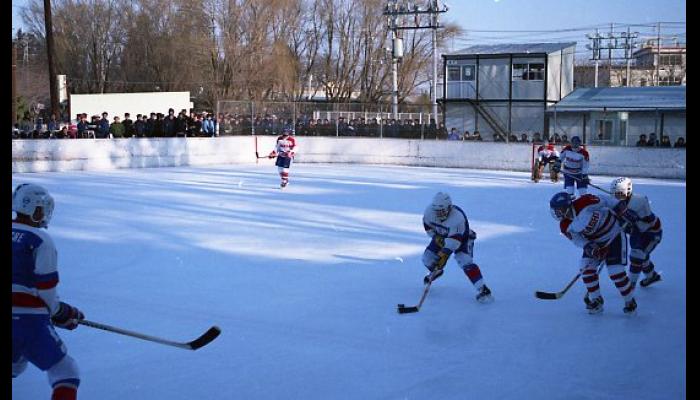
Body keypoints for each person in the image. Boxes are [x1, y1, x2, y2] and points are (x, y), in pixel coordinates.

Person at [12, 184, 85, 400]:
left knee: (16, 365)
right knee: (66, 372)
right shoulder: (40, 240)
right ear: (36, 210)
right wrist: (61, 313)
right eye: (43, 208)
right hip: (26, 320)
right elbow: (46, 291)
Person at [549, 191, 637, 315]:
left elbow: (607, 201)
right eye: (555, 210)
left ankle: (629, 301)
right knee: (585, 269)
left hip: (615, 234)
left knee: (616, 273)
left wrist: (622, 210)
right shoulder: (564, 225)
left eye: (559, 209)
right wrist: (588, 247)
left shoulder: (585, 202)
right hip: (596, 243)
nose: (557, 213)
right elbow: (577, 239)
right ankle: (596, 300)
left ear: (567, 206)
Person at [421, 192, 493, 303]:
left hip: (462, 239)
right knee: (427, 258)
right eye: (437, 212)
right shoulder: (429, 212)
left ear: (449, 207)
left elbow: (454, 243)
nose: (439, 215)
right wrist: (436, 238)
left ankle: (483, 289)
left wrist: (443, 255)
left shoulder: (457, 218)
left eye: (442, 211)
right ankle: (437, 271)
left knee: (464, 261)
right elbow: (428, 227)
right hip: (442, 237)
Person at [610, 177, 663, 288]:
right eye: (615, 194)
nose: (616, 197)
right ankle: (651, 276)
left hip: (651, 233)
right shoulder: (616, 202)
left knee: (637, 255)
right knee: (641, 256)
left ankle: (630, 285)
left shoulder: (640, 201)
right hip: (636, 232)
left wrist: (635, 218)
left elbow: (648, 222)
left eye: (619, 193)